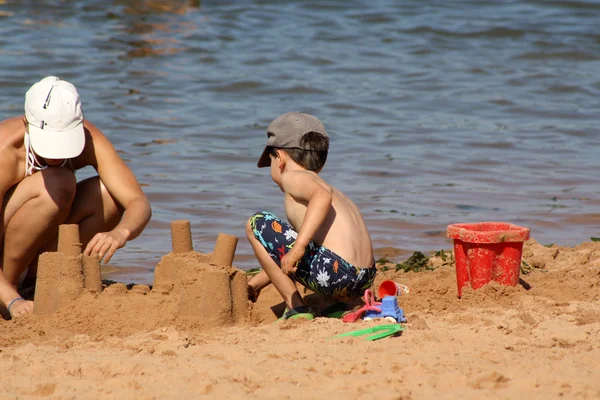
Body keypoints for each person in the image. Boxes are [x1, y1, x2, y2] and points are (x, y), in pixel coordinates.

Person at [0, 76, 152, 318]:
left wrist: (121, 232)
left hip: (37, 246)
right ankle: (10, 289)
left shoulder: (90, 139)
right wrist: (11, 301)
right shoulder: (5, 150)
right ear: (26, 124)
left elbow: (138, 203)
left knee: (109, 198)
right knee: (60, 181)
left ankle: (43, 282)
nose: (58, 154)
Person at [246, 112, 376, 320]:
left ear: (279, 157)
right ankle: (337, 306)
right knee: (307, 244)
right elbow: (287, 254)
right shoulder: (332, 192)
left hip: (337, 274)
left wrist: (297, 249)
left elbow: (321, 197)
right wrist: (256, 283)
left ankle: (296, 306)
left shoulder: (293, 177)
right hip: (363, 278)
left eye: (270, 161)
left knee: (256, 223)